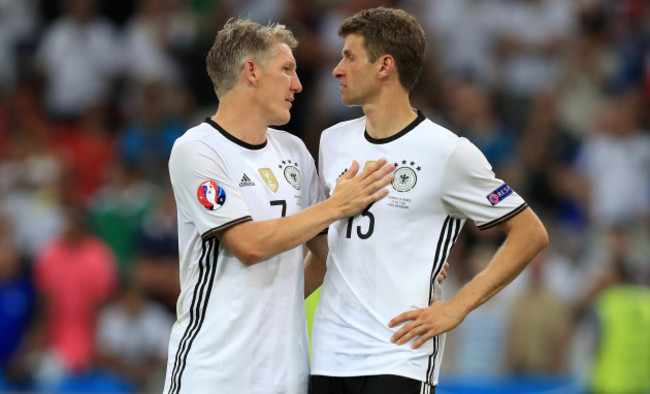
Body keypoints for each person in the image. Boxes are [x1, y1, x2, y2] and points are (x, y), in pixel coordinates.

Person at [307, 7, 549, 394]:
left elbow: (530, 232)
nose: (337, 69)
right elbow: (332, 246)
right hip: (328, 354)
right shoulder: (332, 141)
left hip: (400, 356)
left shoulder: (447, 152)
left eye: (349, 57)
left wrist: (459, 305)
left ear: (385, 65)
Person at [163, 18, 396, 394]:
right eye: (287, 70)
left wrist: (412, 258)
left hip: (286, 377)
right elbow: (249, 245)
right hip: (213, 374)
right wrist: (336, 205)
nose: (298, 85)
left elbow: (330, 255)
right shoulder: (198, 149)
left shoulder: (294, 152)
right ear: (251, 72)